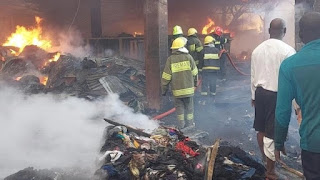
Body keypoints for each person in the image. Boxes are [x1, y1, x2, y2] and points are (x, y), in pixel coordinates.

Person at [275, 12, 320, 180]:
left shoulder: (290, 65)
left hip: (313, 145)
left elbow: (282, 111)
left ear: (301, 35)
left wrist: (278, 142)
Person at [251, 18, 296, 179]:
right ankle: (270, 171)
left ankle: (266, 159)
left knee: (261, 129)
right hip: (277, 95)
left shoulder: (257, 50)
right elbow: (292, 78)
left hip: (260, 93)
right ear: (284, 31)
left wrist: (253, 96)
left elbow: (253, 75)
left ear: (269, 31)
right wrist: (296, 103)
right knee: (272, 131)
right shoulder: (289, 51)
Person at [161, 37, 198, 129]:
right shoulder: (189, 57)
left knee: (179, 108)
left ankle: (181, 125)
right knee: (189, 108)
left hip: (177, 91)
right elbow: (195, 72)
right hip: (189, 90)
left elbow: (166, 77)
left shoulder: (170, 59)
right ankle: (190, 124)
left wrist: (164, 90)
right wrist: (195, 83)